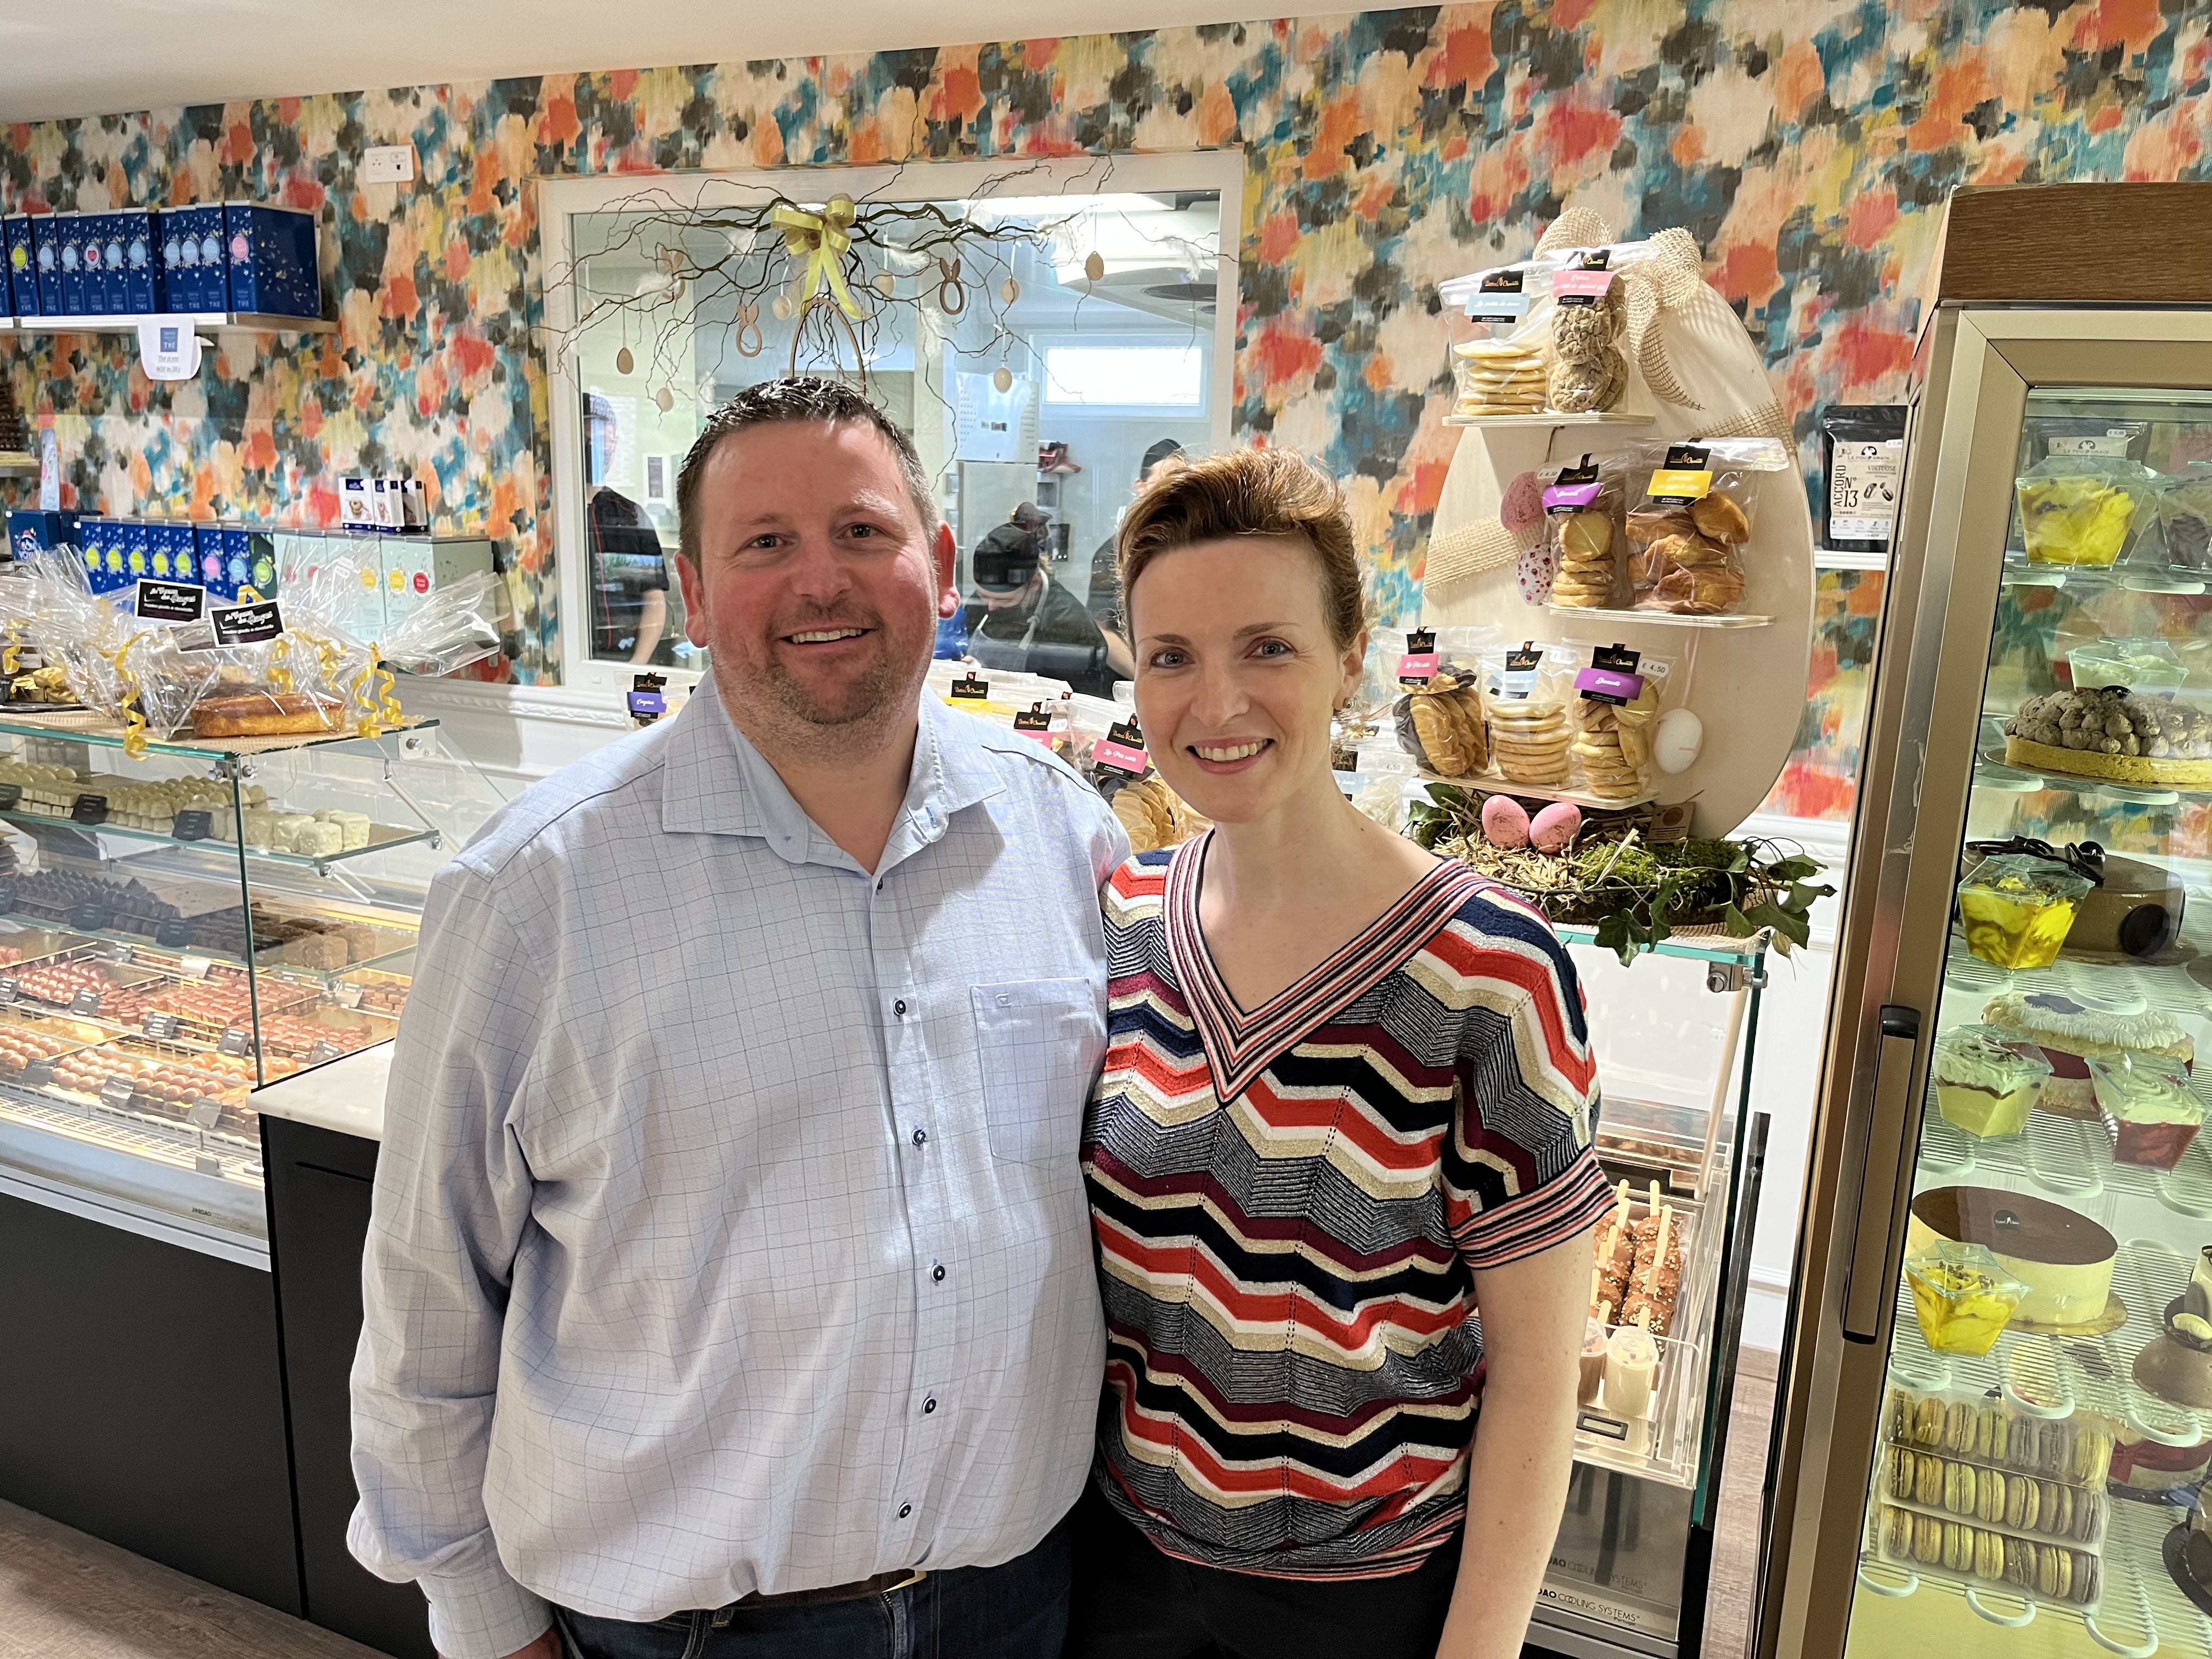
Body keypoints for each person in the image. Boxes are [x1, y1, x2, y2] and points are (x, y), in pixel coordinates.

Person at [349, 377, 1129, 1659]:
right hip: (689, 1635)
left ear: (934, 564)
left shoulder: (1064, 839)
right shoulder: (532, 897)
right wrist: (486, 1626)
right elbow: (428, 1302)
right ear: (695, 590)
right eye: (765, 543)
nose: (821, 580)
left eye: (862, 533)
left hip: (1015, 1606)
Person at [1069, 448, 1610, 1659]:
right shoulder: (1122, 922)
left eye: (1267, 646)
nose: (1216, 704)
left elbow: (1534, 1382)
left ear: (1348, 658)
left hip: (1362, 1605)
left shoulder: (1490, 974)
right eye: (1172, 657)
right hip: (1120, 1575)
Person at [966, 501, 1118, 697]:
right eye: (983, 596)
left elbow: (1080, 702)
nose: (991, 606)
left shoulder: (1068, 625)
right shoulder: (984, 602)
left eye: (1004, 601)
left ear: (1035, 583)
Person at [1085, 438, 1184, 681]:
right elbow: (1101, 630)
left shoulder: (1193, 548)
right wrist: (1145, 679)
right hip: (1125, 683)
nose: (1172, 492)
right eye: (1163, 481)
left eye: (1181, 481)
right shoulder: (1114, 552)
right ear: (1140, 486)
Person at [586, 484, 669, 665]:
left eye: (610, 452)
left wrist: (637, 664)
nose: (606, 454)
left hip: (628, 655)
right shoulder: (553, 516)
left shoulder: (631, 515)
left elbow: (653, 597)